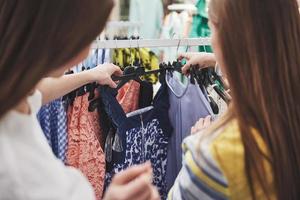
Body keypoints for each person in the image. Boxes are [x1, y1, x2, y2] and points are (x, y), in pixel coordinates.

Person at [0, 1, 158, 200]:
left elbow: (36, 91)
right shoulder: (20, 176)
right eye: (90, 36)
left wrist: (91, 75)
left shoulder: (12, 91)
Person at [167, 0, 300, 199]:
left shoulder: (213, 156)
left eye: (212, 29)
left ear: (227, 40)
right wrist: (218, 62)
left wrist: (202, 143)